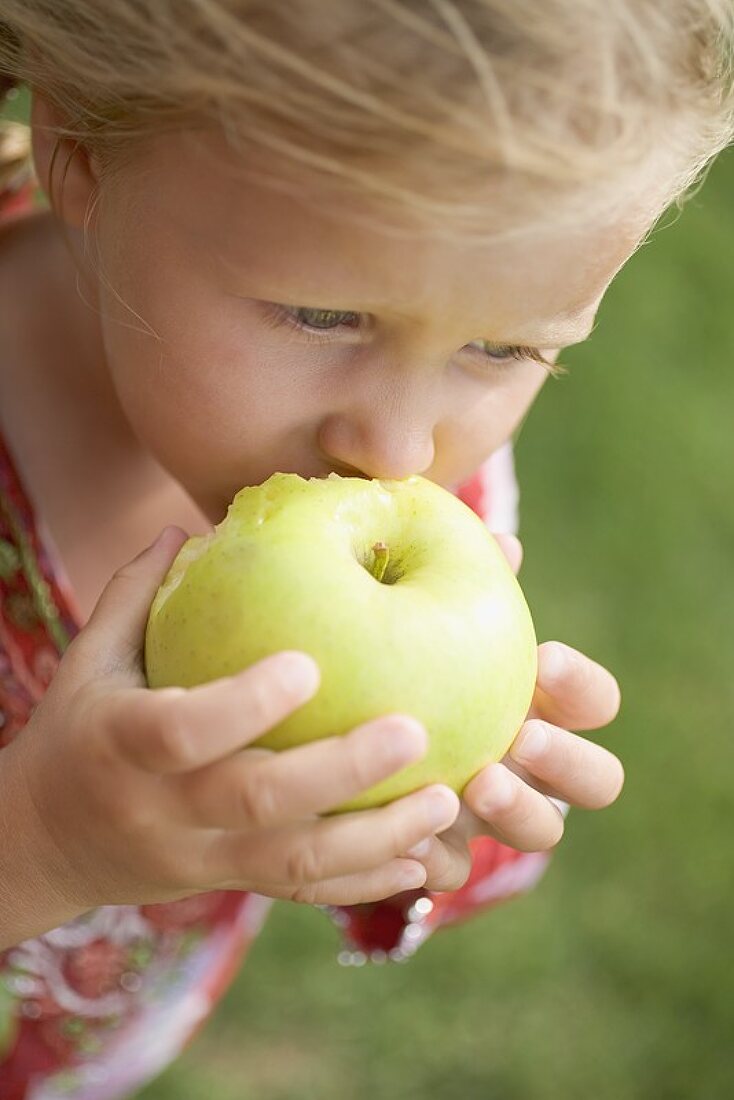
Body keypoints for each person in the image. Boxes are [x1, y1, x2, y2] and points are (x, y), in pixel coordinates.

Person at [0, 2, 730, 1096]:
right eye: (320, 313)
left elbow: (384, 858)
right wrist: (45, 843)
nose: (397, 446)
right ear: (81, 153)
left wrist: (424, 821)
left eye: (503, 345)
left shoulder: (423, 503)